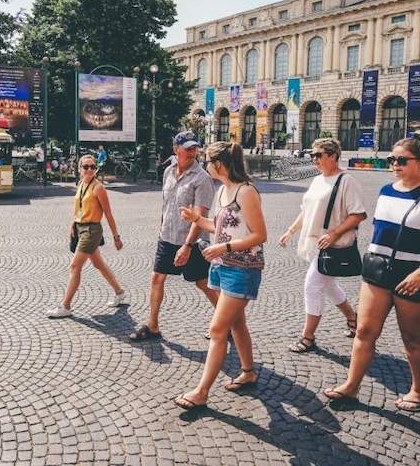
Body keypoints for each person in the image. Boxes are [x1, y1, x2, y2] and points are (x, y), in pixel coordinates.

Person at [324, 130, 420, 412]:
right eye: (391, 159)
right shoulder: (386, 191)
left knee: (412, 340)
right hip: (377, 270)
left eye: (401, 160)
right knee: (364, 331)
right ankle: (351, 386)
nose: (395, 164)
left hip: (415, 274)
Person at [174, 141, 268, 410]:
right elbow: (219, 227)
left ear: (220, 164)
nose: (204, 165)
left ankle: (202, 392)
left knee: (217, 329)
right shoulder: (223, 191)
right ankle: (248, 372)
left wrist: (222, 247)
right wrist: (195, 218)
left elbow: (259, 235)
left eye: (207, 160)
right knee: (237, 323)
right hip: (222, 266)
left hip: (243, 268)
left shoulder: (246, 192)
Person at [278, 138, 367, 353]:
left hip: (332, 245)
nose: (314, 159)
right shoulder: (318, 180)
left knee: (312, 285)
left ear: (333, 155)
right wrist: (290, 231)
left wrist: (334, 234)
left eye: (318, 155)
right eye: (312, 155)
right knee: (328, 284)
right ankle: (353, 317)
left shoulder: (346, 181)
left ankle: (308, 337)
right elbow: (306, 210)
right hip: (315, 244)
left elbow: (359, 214)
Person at [129, 131, 217, 342]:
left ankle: (228, 322)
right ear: (175, 150)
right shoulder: (168, 171)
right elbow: (166, 205)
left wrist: (187, 247)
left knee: (203, 283)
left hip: (192, 241)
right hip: (167, 237)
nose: (192, 152)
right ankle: (152, 325)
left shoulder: (202, 179)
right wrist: (161, 228)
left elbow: (200, 217)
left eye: (195, 147)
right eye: (187, 148)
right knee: (156, 278)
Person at [47, 154, 126, 318]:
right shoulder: (81, 183)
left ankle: (65, 306)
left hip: (92, 231)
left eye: (92, 167)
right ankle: (119, 292)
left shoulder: (98, 188)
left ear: (95, 168)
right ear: (79, 169)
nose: (89, 169)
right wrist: (73, 224)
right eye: (85, 167)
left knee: (75, 266)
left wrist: (116, 237)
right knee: (99, 264)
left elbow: (109, 214)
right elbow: (79, 206)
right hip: (80, 228)